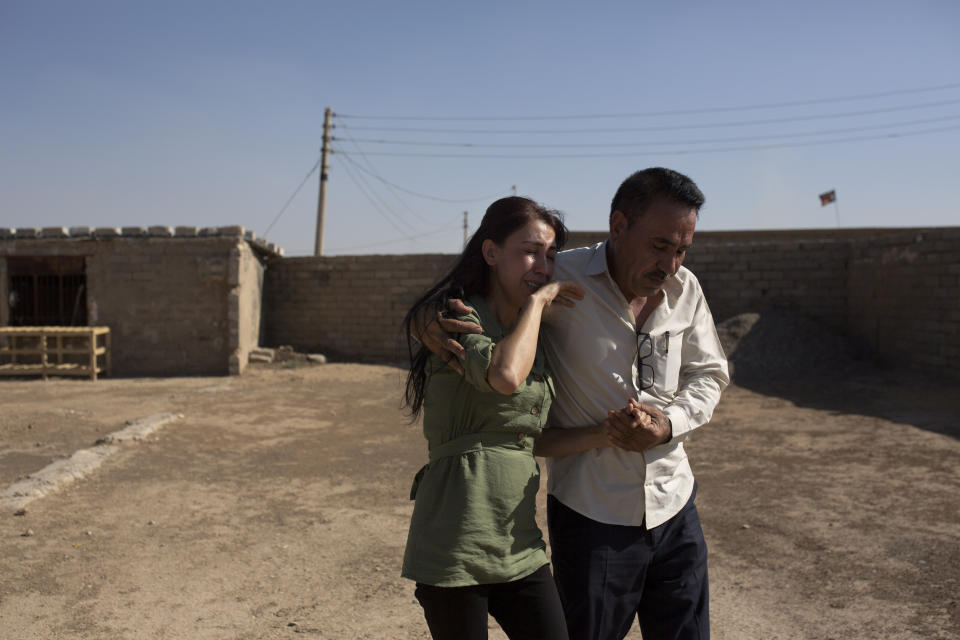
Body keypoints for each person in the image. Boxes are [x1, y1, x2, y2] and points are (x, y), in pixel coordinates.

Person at [421, 168, 729, 640]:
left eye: (682, 249)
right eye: (659, 246)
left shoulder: (685, 289)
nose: (670, 264)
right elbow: (484, 289)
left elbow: (709, 374)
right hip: (592, 515)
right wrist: (427, 317)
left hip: (674, 506)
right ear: (619, 225)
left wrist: (668, 423)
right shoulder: (556, 275)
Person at [401, 196, 583, 640]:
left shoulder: (527, 336)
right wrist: (540, 302)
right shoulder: (458, 317)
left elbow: (525, 438)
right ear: (490, 252)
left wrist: (607, 435)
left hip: (517, 540)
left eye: (551, 256)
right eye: (530, 251)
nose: (542, 265)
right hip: (455, 541)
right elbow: (503, 376)